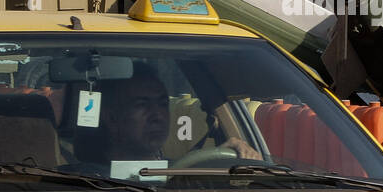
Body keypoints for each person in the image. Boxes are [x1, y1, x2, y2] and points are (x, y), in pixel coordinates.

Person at [91, 65, 260, 161]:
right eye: (142, 104)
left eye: (163, 104)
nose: (157, 115)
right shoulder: (85, 183)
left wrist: (239, 153)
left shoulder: (181, 174)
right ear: (112, 118)